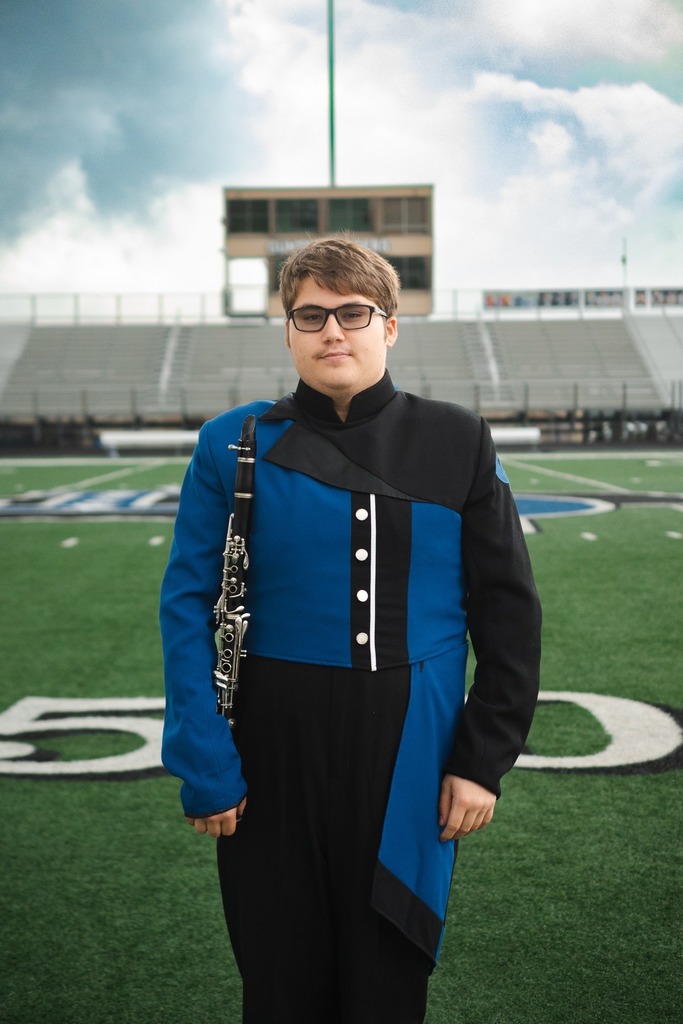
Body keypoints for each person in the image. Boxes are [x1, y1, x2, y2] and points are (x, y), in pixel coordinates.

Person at [160, 237, 542, 1023]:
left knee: (386, 983)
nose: (332, 331)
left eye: (353, 313)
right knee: (279, 983)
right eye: (310, 315)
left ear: (389, 326)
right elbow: (190, 606)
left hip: (411, 743)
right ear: (289, 331)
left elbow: (508, 611)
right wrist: (204, 757)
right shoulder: (231, 442)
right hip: (269, 748)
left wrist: (481, 760)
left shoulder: (457, 438)